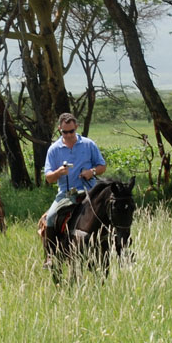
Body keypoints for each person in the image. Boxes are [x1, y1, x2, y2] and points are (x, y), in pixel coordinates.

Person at [42, 112, 107, 267]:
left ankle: (121, 248)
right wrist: (58, 172)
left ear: (76, 127)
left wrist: (91, 172)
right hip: (66, 194)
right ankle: (51, 255)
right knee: (50, 217)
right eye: (65, 132)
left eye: (71, 131)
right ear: (60, 129)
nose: (69, 135)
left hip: (90, 191)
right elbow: (48, 178)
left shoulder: (88, 144)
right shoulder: (54, 149)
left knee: (111, 210)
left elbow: (102, 166)